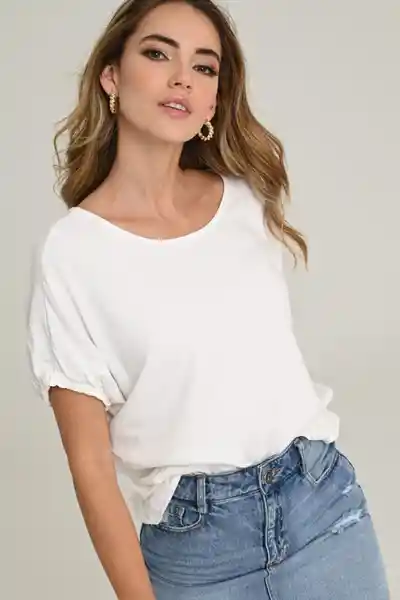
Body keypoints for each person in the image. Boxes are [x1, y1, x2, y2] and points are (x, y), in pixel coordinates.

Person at [26, 0, 390, 598]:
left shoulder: (246, 200)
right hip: (198, 549)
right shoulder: (71, 253)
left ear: (214, 100)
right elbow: (90, 467)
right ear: (111, 76)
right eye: (158, 54)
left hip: (321, 508)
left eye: (204, 67)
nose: (182, 80)